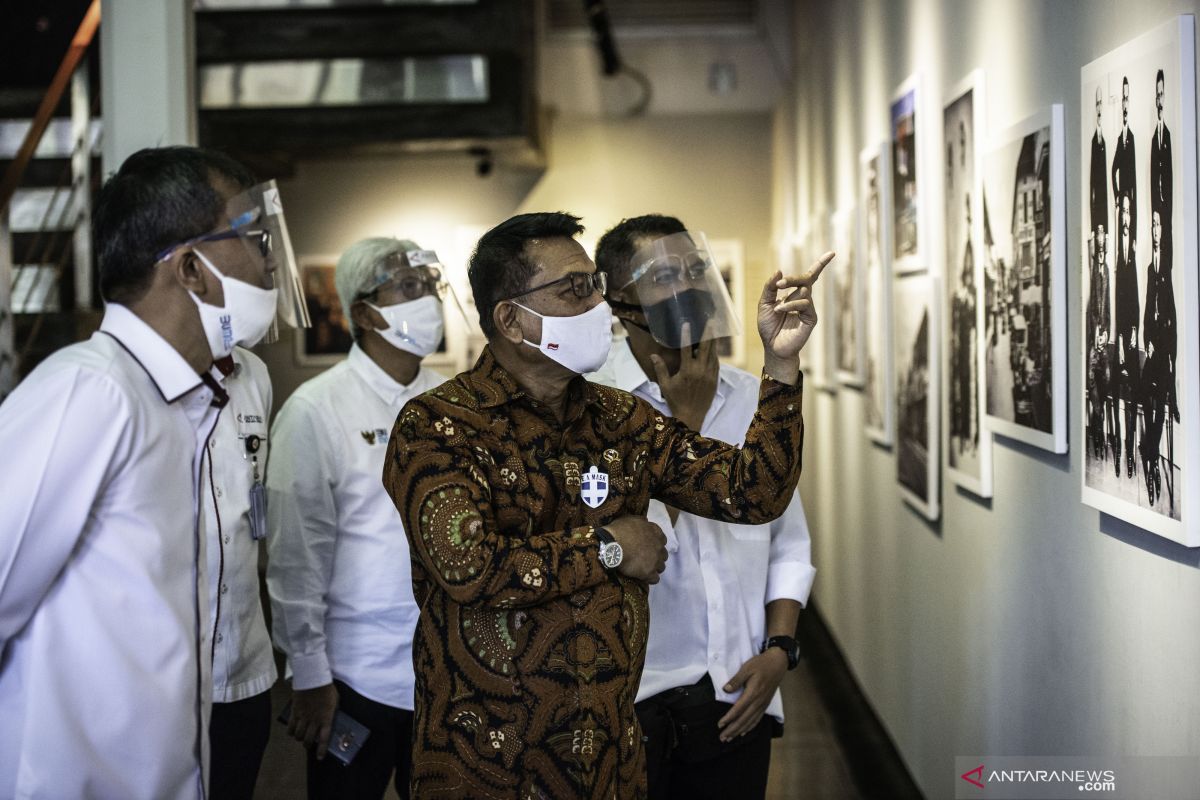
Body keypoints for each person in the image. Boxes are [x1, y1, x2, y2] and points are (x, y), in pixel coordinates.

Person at [382, 211, 829, 799]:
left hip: (609, 757)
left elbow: (751, 492)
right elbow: (472, 569)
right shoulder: (439, 424)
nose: (598, 304)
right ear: (512, 320)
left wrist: (781, 364)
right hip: (490, 759)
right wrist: (613, 547)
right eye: (574, 290)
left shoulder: (621, 419)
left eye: (594, 283)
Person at [0, 145, 297, 799]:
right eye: (251, 238)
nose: (270, 258)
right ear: (191, 268)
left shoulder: (193, 396)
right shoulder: (93, 395)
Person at [590, 215, 816, 800]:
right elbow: (634, 546)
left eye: (696, 268)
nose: (689, 284)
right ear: (619, 301)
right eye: (666, 274)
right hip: (634, 706)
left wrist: (779, 649)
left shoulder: (751, 396)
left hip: (737, 693)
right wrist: (683, 423)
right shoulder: (596, 410)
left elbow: (787, 534)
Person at [268, 238, 450, 799]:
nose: (429, 301)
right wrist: (310, 676)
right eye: (411, 288)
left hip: (445, 673)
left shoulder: (451, 402)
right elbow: (296, 554)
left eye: (431, 287)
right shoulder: (316, 409)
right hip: (354, 678)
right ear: (367, 313)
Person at [205, 345, 277, 800]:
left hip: (247, 666)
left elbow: (255, 493)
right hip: (167, 683)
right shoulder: (122, 383)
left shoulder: (255, 373)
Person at [1140, 210, 1175, 505]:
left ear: (1163, 231)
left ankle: (1149, 457)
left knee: (1160, 410)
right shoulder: (1151, 268)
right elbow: (1146, 312)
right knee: (1148, 403)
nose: (1154, 229)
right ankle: (1150, 462)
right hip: (1152, 351)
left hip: (1165, 354)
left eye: (1157, 224)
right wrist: (1147, 341)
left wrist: (1165, 348)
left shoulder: (1167, 269)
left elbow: (1170, 317)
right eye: (1151, 224)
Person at [1113, 192, 1139, 479]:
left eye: (1129, 212)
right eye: (1123, 212)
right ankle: (1120, 454)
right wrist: (1119, 340)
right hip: (1120, 340)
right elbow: (1118, 304)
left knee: (1131, 400)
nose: (1126, 216)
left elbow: (1136, 302)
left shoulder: (1133, 248)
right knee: (1120, 394)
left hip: (1132, 339)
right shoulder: (1119, 255)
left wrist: (1134, 333)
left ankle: (1130, 453)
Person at [1111, 76, 1137, 250]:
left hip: (1131, 198)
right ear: (1121, 104)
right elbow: (1113, 169)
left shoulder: (1132, 138)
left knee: (1129, 240)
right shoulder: (1120, 139)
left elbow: (1134, 175)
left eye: (1127, 99)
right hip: (1123, 197)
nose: (1125, 104)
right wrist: (1117, 195)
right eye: (1123, 99)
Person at [1090, 84, 1108, 238]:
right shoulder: (1093, 141)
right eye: (1097, 104)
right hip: (1099, 206)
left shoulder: (1107, 140)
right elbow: (1091, 183)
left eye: (1100, 103)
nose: (1099, 107)